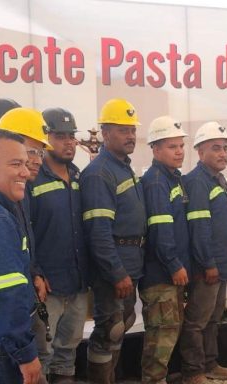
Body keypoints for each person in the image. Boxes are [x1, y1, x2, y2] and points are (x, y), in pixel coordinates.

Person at [80, 98, 147, 383]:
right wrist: (117, 272)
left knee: (122, 327)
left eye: (132, 129)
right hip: (114, 271)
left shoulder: (123, 167)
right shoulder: (99, 173)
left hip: (130, 265)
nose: (130, 135)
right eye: (122, 130)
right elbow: (98, 231)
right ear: (105, 133)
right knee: (109, 332)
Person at [28, 108, 89, 383]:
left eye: (71, 136)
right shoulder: (32, 179)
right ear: (45, 138)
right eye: (60, 136)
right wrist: (36, 272)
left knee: (68, 353)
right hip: (47, 288)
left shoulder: (78, 177)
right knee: (43, 355)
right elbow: (25, 232)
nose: (68, 142)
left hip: (76, 284)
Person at [180, 122, 227, 384]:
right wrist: (208, 263)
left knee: (214, 318)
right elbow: (199, 227)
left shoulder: (218, 179)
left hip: (222, 264)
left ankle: (210, 363)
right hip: (208, 267)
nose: (223, 153)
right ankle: (193, 371)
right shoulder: (197, 181)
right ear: (200, 152)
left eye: (225, 148)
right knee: (197, 321)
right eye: (216, 148)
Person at [139, 116, 190, 384]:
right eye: (172, 146)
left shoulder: (170, 178)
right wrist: (174, 265)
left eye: (181, 145)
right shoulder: (157, 181)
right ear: (156, 149)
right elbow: (160, 230)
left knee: (167, 334)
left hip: (168, 274)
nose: (179, 151)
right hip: (160, 276)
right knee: (161, 338)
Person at [0, 129, 41, 384]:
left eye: (25, 163)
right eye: (16, 164)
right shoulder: (1, 219)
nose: (25, 172)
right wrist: (25, 355)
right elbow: (8, 292)